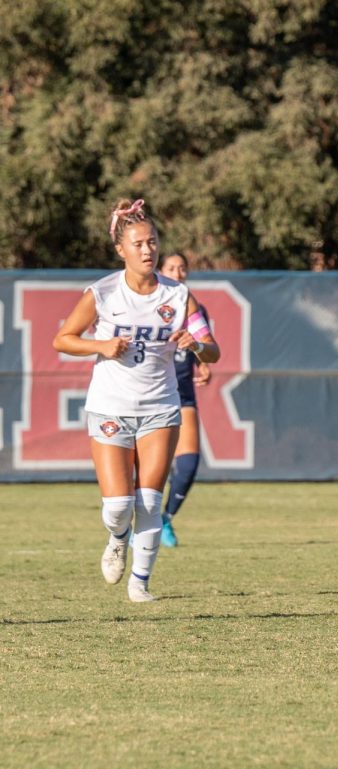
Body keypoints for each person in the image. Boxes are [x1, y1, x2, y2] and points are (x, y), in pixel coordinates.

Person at [52, 199, 221, 602]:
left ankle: (140, 583)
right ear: (121, 249)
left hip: (160, 409)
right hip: (110, 406)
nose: (148, 250)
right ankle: (116, 538)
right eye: (139, 244)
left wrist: (196, 344)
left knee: (149, 500)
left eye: (153, 242)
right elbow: (63, 339)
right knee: (117, 506)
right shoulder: (103, 292)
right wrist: (102, 345)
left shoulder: (180, 297)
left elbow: (213, 351)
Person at [158, 252, 211, 547]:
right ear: (160, 270)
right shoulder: (146, 304)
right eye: (171, 268)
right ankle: (133, 527)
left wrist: (204, 365)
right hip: (148, 394)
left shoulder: (194, 308)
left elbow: (205, 352)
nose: (177, 273)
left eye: (182, 268)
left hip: (182, 393)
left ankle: (165, 518)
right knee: (148, 468)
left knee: (189, 464)